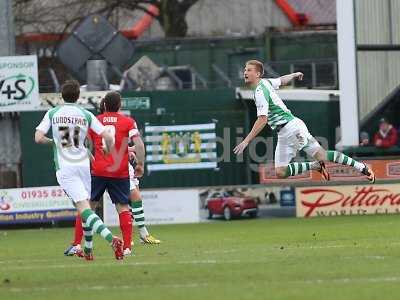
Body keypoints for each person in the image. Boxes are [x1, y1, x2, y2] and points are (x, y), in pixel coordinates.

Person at [233, 60, 375, 183]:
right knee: (280, 172)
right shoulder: (265, 83)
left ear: (257, 74)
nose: (245, 72)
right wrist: (294, 75)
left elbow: (262, 119)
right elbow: (281, 80)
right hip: (283, 133)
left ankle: (362, 167)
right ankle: (315, 166)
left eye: (249, 70)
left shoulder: (260, 92)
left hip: (292, 128)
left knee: (322, 155)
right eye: (245, 69)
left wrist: (246, 141)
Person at [35, 80, 124, 260]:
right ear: (78, 96)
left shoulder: (52, 112)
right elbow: (107, 135)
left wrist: (52, 142)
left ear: (61, 95)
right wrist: (107, 148)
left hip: (66, 167)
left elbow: (38, 138)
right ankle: (89, 249)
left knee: (83, 208)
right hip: (84, 165)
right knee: (85, 208)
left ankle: (110, 239)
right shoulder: (86, 114)